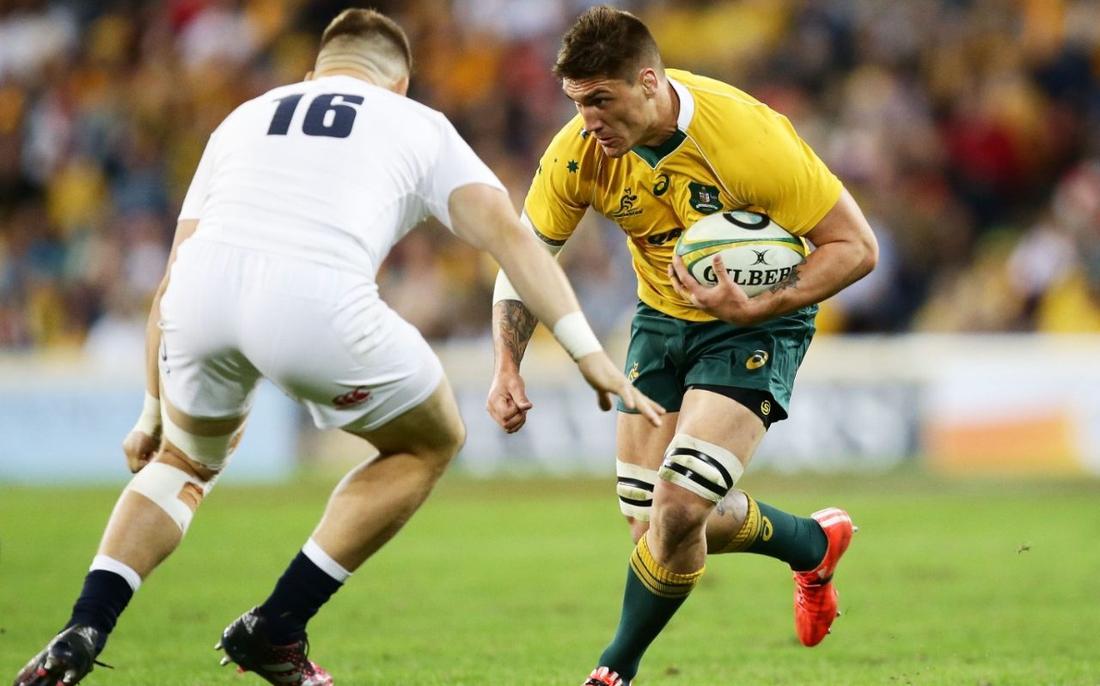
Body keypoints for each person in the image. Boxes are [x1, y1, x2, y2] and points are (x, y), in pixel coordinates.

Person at [12, 9, 663, 686]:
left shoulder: (243, 117)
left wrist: (152, 407)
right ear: (400, 82)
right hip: (312, 300)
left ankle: (83, 627)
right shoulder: (414, 121)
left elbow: (174, 272)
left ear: (311, 74)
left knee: (181, 463)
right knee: (429, 441)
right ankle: (278, 625)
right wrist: (586, 352)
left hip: (200, 297)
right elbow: (510, 236)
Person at [486, 6, 878, 685]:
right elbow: (525, 258)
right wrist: (505, 364)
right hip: (661, 320)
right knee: (654, 531)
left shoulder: (748, 138)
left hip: (757, 324)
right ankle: (811, 543)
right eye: (577, 102)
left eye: (600, 100)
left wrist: (763, 303)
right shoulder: (578, 153)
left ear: (648, 82)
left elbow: (856, 247)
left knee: (679, 507)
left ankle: (613, 669)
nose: (587, 120)